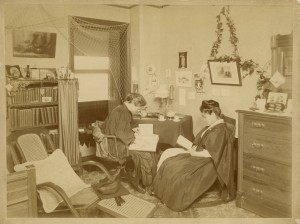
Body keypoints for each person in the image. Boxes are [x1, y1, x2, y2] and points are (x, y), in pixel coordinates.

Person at [151, 100, 235, 211]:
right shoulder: (213, 126)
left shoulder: (220, 130)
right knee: (169, 163)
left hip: (208, 161)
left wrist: (194, 152)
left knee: (179, 174)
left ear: (213, 114)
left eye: (205, 117)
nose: (204, 120)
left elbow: (212, 153)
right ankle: (163, 194)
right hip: (200, 154)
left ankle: (172, 200)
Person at [99, 93, 157, 193]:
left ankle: (143, 179)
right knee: (146, 154)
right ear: (131, 103)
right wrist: (136, 140)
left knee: (145, 149)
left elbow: (117, 128)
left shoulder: (120, 109)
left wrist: (132, 130)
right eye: (138, 109)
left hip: (112, 142)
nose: (138, 111)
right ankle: (147, 184)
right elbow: (121, 132)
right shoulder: (123, 112)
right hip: (116, 146)